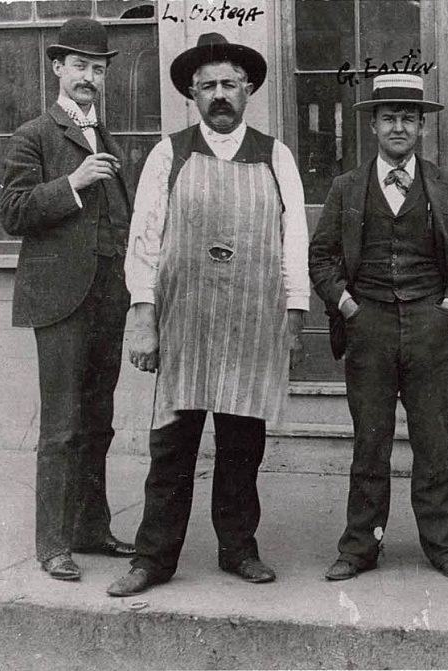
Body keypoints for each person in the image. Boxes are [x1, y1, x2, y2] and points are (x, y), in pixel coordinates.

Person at [106, 33, 309, 596]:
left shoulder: (276, 154)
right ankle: (153, 559)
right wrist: (143, 318)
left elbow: (295, 239)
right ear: (192, 94)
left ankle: (239, 549)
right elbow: (144, 241)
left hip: (251, 322)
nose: (220, 94)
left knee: (243, 444)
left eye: (229, 84)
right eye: (208, 86)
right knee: (171, 447)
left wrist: (294, 313)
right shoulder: (169, 153)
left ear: (247, 91)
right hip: (185, 325)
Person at [309, 74, 448, 582]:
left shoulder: (446, 185)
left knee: (433, 440)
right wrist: (345, 304)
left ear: (422, 126)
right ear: (374, 127)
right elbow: (320, 257)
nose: (399, 127)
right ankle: (360, 546)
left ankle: (443, 545)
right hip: (369, 324)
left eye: (408, 118)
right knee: (371, 441)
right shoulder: (346, 188)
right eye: (389, 118)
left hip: (430, 324)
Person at [0, 18, 136, 581]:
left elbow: (121, 222)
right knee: (61, 426)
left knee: (98, 421)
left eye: (98, 69)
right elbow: (10, 213)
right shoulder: (33, 134)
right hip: (59, 300)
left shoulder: (107, 138)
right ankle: (52, 544)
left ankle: (90, 528)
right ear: (57, 68)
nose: (89, 77)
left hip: (109, 297)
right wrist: (74, 183)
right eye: (79, 66)